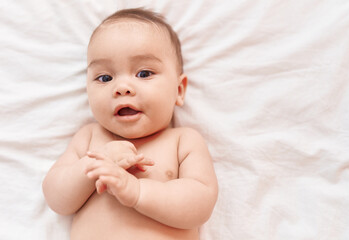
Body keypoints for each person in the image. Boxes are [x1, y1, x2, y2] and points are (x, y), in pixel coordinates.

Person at [42, 8, 218, 240]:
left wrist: (137, 191)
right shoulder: (89, 138)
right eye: (105, 78)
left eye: (144, 73)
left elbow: (200, 204)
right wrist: (93, 166)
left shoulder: (183, 141)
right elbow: (56, 199)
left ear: (179, 90)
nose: (122, 87)